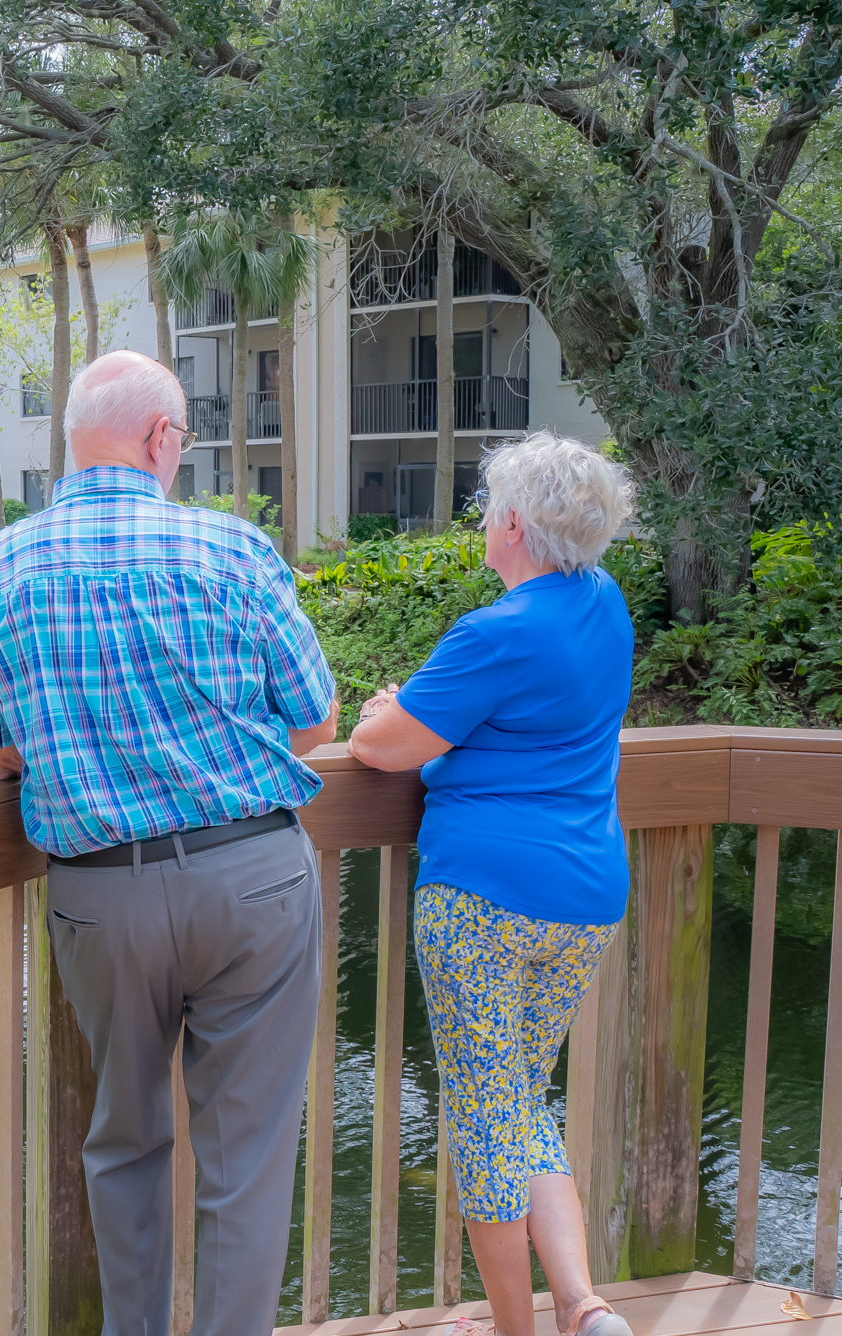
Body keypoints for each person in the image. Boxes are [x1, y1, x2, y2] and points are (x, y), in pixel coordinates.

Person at [0, 349, 339, 1336]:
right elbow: (314, 722)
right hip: (251, 877)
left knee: (122, 1140)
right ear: (161, 440)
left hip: (99, 894)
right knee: (243, 1158)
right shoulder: (232, 552)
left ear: (73, 441)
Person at [348, 431, 636, 1336]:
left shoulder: (496, 633)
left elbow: (381, 749)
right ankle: (583, 1307)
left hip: (484, 901)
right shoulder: (605, 604)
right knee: (517, 1099)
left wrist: (383, 712)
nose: (482, 522)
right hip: (585, 893)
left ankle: (518, 1330)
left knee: (482, 1120)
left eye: (487, 509)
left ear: (512, 522)